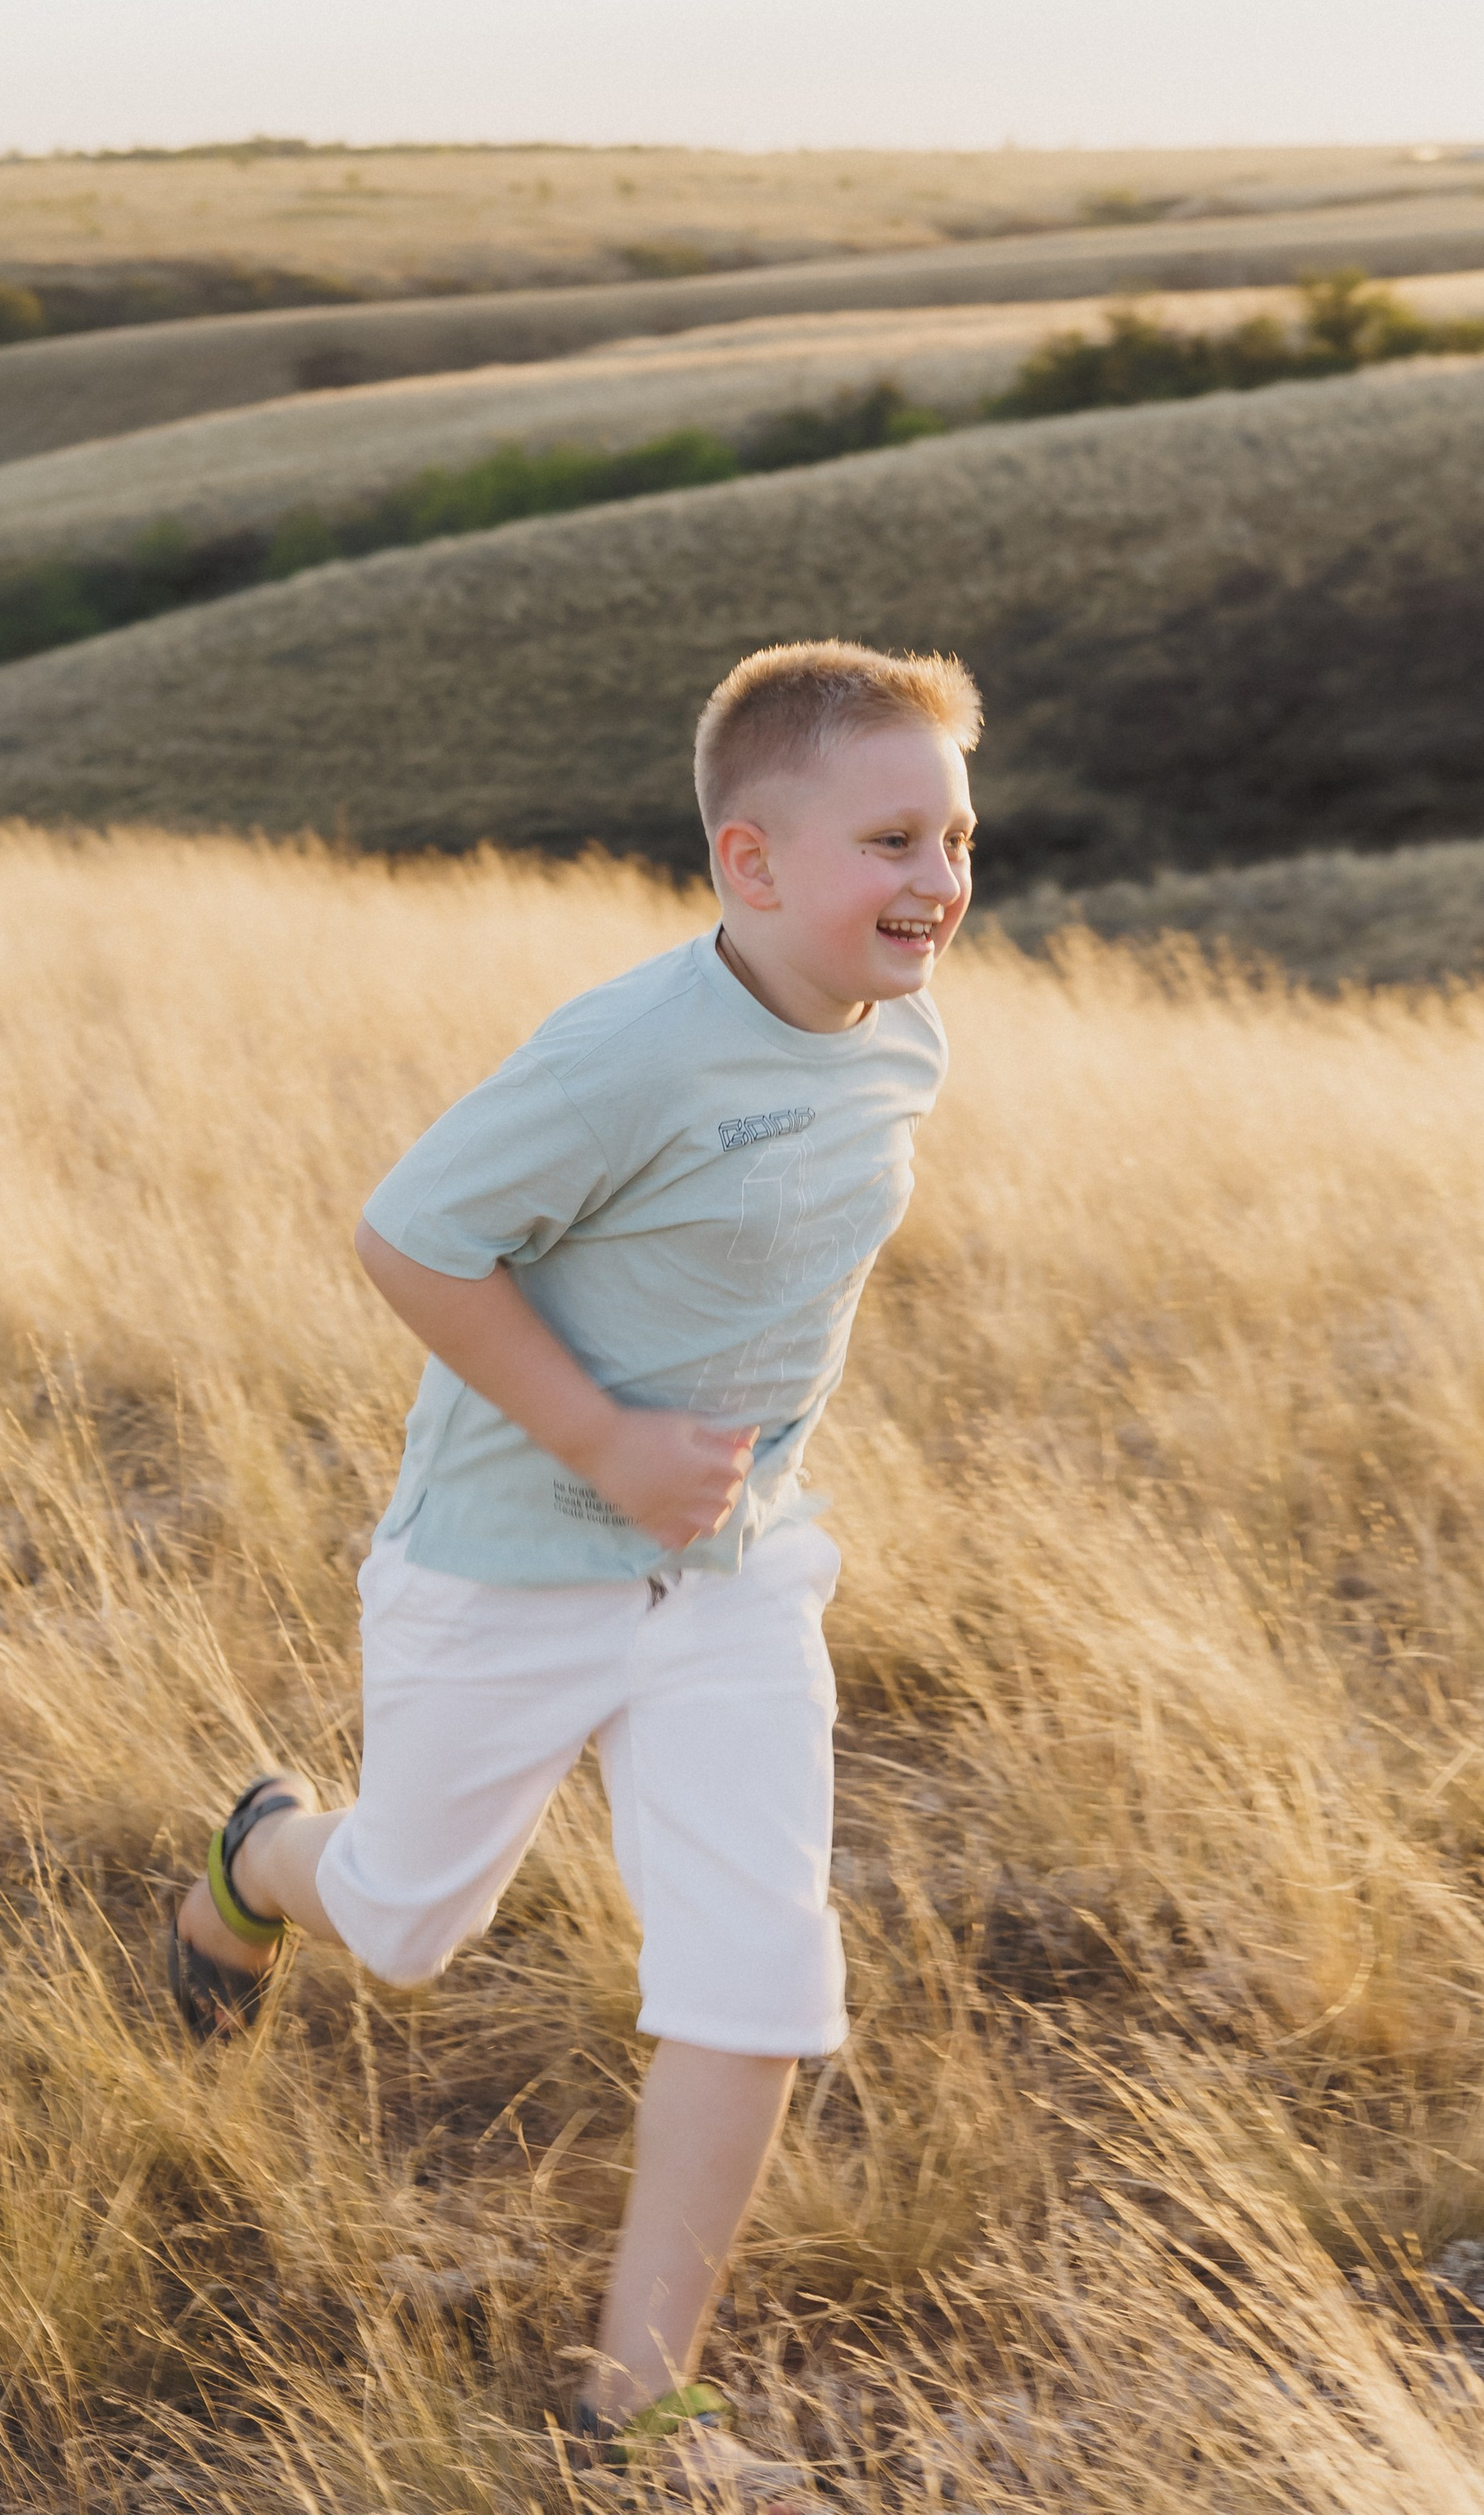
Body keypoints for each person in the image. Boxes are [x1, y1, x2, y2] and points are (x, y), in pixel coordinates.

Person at [169, 637, 981, 2506]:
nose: (934, 879)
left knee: (758, 1958)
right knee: (404, 1923)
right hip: (506, 1573)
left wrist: (705, 1471)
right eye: (886, 842)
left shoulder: (901, 1019)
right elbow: (409, 1239)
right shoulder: (623, 1051)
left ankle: (639, 2394)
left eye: (950, 833)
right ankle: (259, 1856)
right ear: (747, 865)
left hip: (731, 1583)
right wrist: (607, 1441)